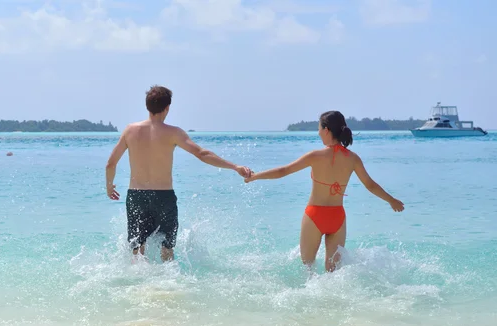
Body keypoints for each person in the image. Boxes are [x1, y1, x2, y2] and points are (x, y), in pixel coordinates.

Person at [106, 85, 252, 262]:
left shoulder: (130, 131)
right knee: (167, 249)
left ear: (147, 106)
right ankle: (169, 287)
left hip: (136, 196)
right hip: (164, 198)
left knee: (137, 250)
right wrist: (235, 166)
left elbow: (110, 164)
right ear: (167, 108)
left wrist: (109, 186)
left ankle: (138, 286)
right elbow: (202, 154)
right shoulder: (173, 133)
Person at [245, 111, 404, 272]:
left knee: (308, 269)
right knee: (333, 273)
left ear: (326, 130)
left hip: (315, 215)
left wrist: (255, 176)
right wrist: (391, 200)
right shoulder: (353, 158)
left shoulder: (315, 156)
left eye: (319, 128)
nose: (318, 132)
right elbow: (370, 185)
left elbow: (283, 171)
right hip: (338, 218)